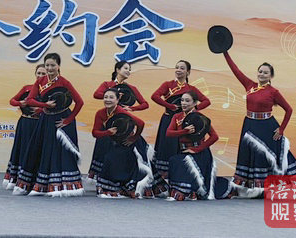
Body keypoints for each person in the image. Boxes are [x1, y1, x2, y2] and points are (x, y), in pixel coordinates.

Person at [223, 50, 296, 193]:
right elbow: (235, 70)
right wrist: (225, 52)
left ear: (271, 76)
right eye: (260, 71)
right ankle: (252, 188)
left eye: (265, 73)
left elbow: (289, 109)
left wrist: (281, 129)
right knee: (249, 154)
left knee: (269, 157)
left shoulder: (274, 92)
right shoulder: (249, 85)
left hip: (266, 126)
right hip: (249, 125)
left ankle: (277, 186)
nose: (262, 74)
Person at [13, 53, 84, 197]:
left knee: (60, 153)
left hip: (61, 121)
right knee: (42, 150)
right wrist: (44, 105)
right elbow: (30, 100)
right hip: (46, 120)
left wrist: (68, 120)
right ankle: (41, 185)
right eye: (47, 65)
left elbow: (79, 102)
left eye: (53, 65)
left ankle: (64, 186)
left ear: (58, 66)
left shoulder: (64, 82)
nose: (50, 68)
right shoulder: (40, 81)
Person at [150, 60, 211, 194]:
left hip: (184, 122)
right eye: (177, 67)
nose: (178, 70)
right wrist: (170, 106)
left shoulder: (191, 89)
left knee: (179, 150)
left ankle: (179, 183)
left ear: (188, 72)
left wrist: (194, 110)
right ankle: (161, 185)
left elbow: (207, 101)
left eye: (182, 68)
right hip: (168, 120)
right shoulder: (168, 85)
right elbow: (154, 96)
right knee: (166, 149)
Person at [88, 88, 154, 198]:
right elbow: (95, 133)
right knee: (108, 157)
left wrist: (133, 138)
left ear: (117, 100)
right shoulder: (100, 113)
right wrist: (107, 132)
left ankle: (127, 186)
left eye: (111, 97)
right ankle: (111, 186)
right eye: (105, 97)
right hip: (110, 140)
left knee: (116, 158)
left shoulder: (121, 111)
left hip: (127, 141)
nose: (108, 100)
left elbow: (140, 123)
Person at [165, 91, 221, 200]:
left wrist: (197, 149)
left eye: (187, 101)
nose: (183, 103)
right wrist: (184, 131)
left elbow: (214, 136)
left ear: (195, 103)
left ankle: (190, 191)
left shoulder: (200, 118)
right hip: (183, 151)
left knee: (180, 162)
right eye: (182, 100)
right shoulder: (177, 116)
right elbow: (168, 133)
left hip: (199, 153)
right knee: (174, 160)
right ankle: (183, 191)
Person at [3, 64, 47, 189]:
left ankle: (36, 180)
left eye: (43, 74)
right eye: (39, 73)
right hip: (25, 124)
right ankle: (18, 179)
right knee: (22, 149)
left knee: (38, 151)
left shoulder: (50, 91)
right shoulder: (27, 88)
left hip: (40, 124)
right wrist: (20, 103)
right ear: (35, 74)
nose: (40, 76)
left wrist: (41, 109)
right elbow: (12, 101)